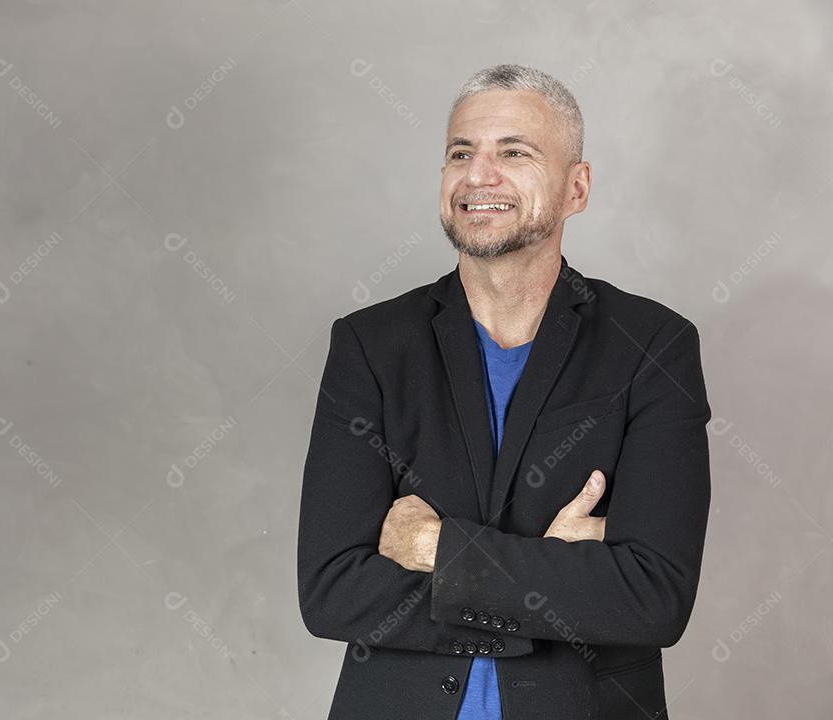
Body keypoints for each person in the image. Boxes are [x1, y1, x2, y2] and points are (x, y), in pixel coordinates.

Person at [298, 64, 711, 719]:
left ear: (577, 187)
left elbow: (653, 598)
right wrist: (555, 581)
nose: (478, 175)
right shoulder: (371, 346)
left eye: (513, 153)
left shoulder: (652, 345)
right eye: (461, 153)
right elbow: (331, 591)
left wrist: (440, 553)